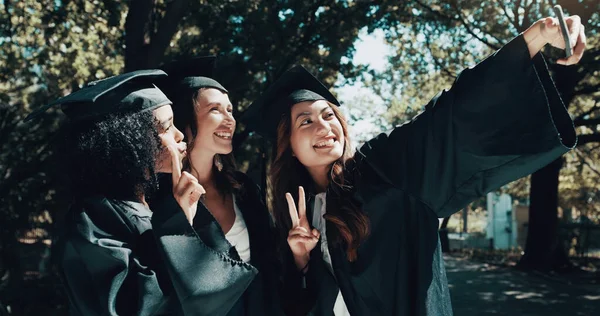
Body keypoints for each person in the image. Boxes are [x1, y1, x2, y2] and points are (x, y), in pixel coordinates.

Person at [242, 15, 586, 315]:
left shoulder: (381, 168)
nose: (324, 126)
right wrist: (301, 259)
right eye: (306, 121)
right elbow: (294, 304)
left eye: (329, 114)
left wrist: (537, 36)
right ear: (288, 147)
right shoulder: (289, 220)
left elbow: (447, 116)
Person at [25, 70, 205, 315]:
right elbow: (134, 306)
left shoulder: (143, 206)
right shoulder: (90, 221)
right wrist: (178, 227)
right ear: (130, 143)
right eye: (166, 127)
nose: (179, 135)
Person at [151, 57, 282, 315]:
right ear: (186, 120)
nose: (229, 119)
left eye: (230, 110)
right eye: (215, 109)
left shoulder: (242, 189)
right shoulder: (158, 198)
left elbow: (269, 267)